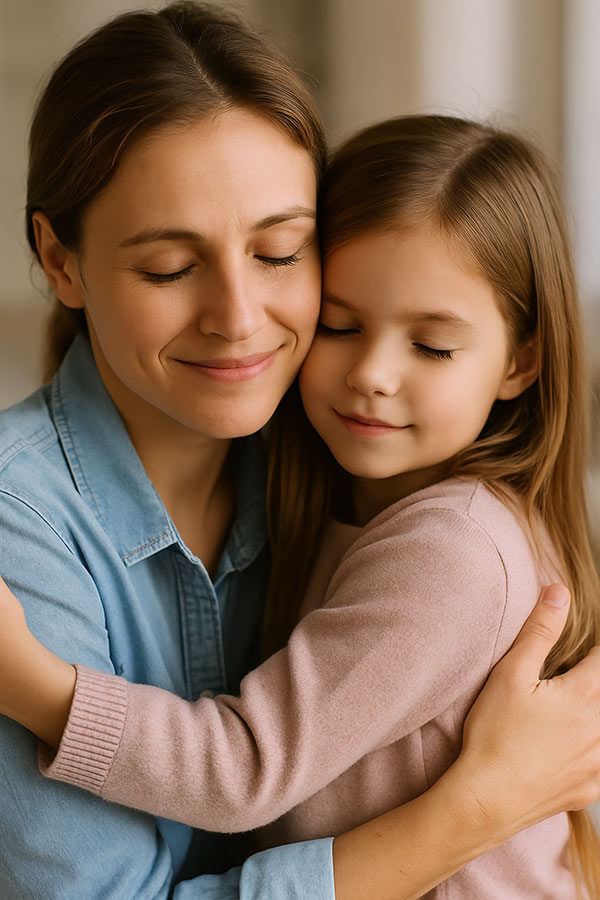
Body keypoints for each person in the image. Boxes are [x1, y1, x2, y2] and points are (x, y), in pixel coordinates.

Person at [0, 2, 600, 896]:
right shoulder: (28, 520)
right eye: (169, 267)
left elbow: (252, 767)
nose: (241, 322)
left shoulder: (356, 473)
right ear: (59, 259)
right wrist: (473, 810)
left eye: (281, 252)